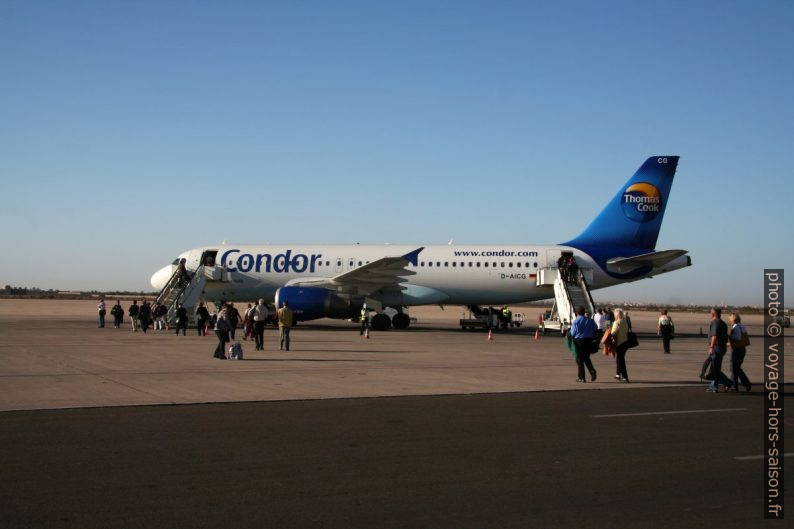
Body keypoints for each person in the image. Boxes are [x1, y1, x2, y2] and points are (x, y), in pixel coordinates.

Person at [706, 307, 732, 392]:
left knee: (715, 369)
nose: (710, 314)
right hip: (722, 347)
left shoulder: (715, 322)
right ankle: (714, 386)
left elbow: (714, 335)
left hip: (717, 347)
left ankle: (727, 383)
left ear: (713, 314)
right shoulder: (723, 323)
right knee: (716, 368)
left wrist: (711, 347)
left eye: (710, 313)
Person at [570, 306, 597, 382]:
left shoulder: (576, 321)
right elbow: (595, 328)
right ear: (583, 312)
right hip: (589, 341)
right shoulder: (590, 320)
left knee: (579, 359)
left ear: (577, 313)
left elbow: (573, 333)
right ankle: (592, 371)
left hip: (579, 341)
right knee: (586, 358)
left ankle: (582, 377)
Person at [728, 312, 752, 392]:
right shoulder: (742, 326)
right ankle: (746, 383)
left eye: (730, 319)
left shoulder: (736, 327)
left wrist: (730, 338)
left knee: (734, 368)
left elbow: (737, 338)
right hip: (742, 349)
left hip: (737, 350)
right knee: (737, 368)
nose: (730, 320)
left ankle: (734, 387)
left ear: (733, 319)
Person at [605, 308, 630, 382]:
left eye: (615, 315)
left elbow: (613, 332)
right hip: (625, 342)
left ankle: (625, 377)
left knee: (621, 360)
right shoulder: (625, 321)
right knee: (619, 359)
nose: (614, 316)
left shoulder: (617, 322)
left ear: (618, 315)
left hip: (619, 343)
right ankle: (618, 374)